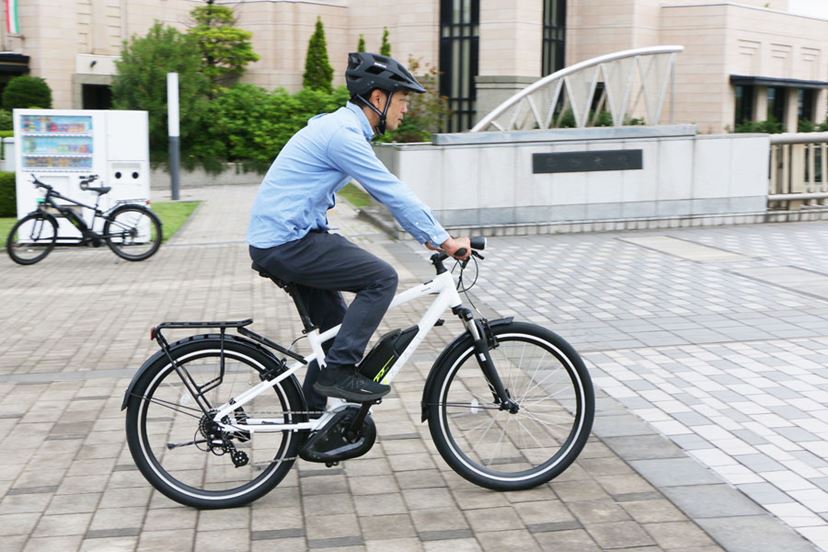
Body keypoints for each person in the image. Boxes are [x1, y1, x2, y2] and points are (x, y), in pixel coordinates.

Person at [247, 52, 469, 410]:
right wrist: (444, 241)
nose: (405, 109)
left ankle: (312, 427)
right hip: (286, 243)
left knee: (336, 330)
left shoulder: (339, 128)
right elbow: (392, 191)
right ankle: (339, 374)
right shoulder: (342, 135)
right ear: (378, 98)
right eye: (402, 100)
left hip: (287, 239)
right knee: (381, 278)